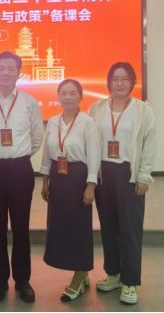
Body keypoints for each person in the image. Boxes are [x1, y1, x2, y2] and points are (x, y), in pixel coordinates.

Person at [0, 52, 44, 304]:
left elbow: (37, 135)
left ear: (18, 73)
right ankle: (0, 280)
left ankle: (23, 280)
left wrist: (18, 156)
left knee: (21, 228)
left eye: (11, 68)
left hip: (20, 170)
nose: (5, 72)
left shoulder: (29, 102)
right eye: (1, 68)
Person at [89, 62, 158, 305]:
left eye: (125, 78)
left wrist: (144, 175)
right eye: (115, 79)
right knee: (108, 226)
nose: (119, 83)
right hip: (103, 174)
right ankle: (114, 274)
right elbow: (90, 142)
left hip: (129, 173)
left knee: (130, 229)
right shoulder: (97, 108)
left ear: (133, 82)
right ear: (109, 82)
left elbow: (149, 143)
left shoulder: (142, 110)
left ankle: (130, 281)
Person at [41, 79, 101, 302]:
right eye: (63, 93)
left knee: (79, 228)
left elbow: (94, 155)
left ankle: (79, 274)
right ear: (58, 96)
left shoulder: (87, 123)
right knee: (62, 227)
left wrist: (91, 185)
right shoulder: (53, 122)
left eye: (72, 93)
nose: (67, 97)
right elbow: (47, 153)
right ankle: (81, 273)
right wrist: (45, 180)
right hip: (58, 179)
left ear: (80, 97)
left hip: (78, 179)